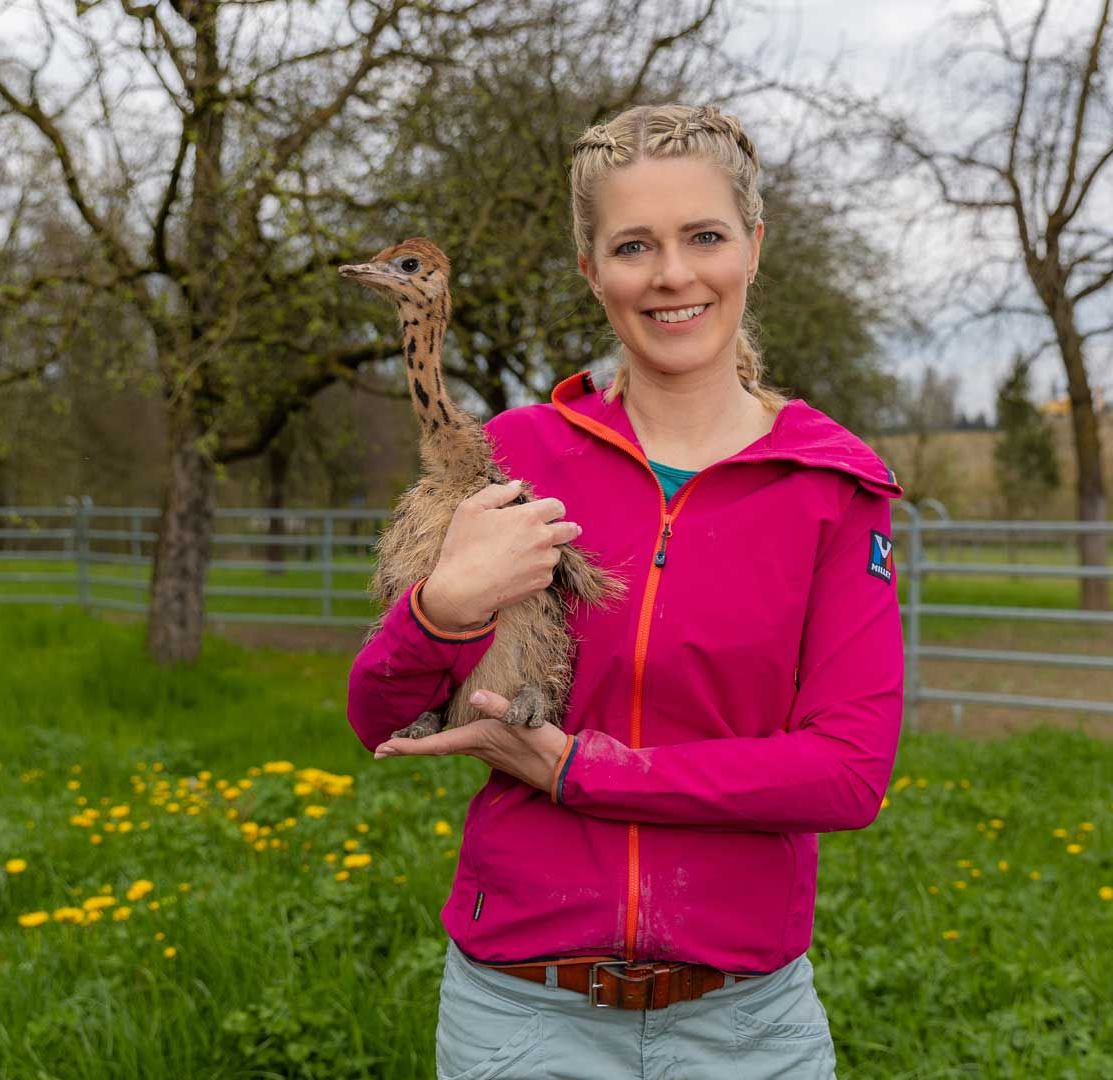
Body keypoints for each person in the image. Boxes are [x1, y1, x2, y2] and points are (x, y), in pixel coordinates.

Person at [346, 101, 904, 1080]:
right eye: (634, 245)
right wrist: (445, 608)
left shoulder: (831, 486)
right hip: (520, 1019)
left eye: (704, 236)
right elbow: (377, 711)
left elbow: (848, 772)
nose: (673, 274)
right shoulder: (510, 458)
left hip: (745, 1030)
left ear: (753, 247)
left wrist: (577, 771)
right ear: (591, 270)